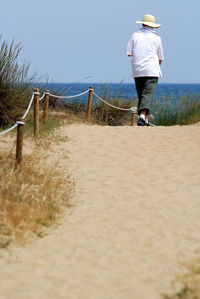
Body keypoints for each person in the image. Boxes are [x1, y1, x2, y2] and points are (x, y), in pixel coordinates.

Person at [126, 14, 164, 126]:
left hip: (137, 69)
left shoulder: (135, 35)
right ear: (152, 26)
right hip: (151, 69)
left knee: (142, 94)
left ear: (142, 23)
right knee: (147, 95)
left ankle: (144, 119)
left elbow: (129, 52)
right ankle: (142, 116)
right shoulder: (156, 38)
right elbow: (160, 57)